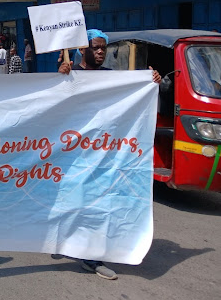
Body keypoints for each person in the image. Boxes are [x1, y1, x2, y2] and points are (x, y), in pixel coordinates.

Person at [58, 29, 161, 280]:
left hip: (105, 156)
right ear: (83, 49)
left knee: (101, 203)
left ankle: (92, 257)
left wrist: (151, 80)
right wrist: (59, 80)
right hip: (75, 157)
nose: (101, 51)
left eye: (104, 47)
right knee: (72, 204)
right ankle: (66, 242)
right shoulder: (71, 75)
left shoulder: (111, 78)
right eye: (96, 47)